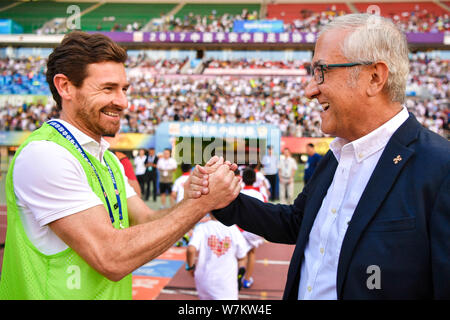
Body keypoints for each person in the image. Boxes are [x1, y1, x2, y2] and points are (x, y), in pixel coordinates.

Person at [190, 14, 450, 299]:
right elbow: (297, 223)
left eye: (321, 71)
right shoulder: (336, 155)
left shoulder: (439, 168)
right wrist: (226, 201)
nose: (310, 90)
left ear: (375, 77)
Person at [0, 31, 241, 299]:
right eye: (108, 88)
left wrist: (194, 197)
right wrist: (201, 206)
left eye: (124, 89)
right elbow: (110, 257)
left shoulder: (108, 159)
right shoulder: (46, 154)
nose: (123, 102)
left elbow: (149, 220)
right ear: (65, 87)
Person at [186, 214, 250, 300]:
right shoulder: (233, 229)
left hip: (204, 279)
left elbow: (191, 249)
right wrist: (241, 271)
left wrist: (190, 267)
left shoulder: (202, 228)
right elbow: (242, 256)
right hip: (226, 282)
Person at [239, 168, 266, 289]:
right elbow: (265, 211)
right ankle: (247, 279)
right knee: (251, 252)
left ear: (242, 179)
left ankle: (235, 275)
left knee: (237, 254)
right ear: (255, 179)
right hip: (253, 229)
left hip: (239, 229)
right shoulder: (260, 194)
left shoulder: (238, 192)